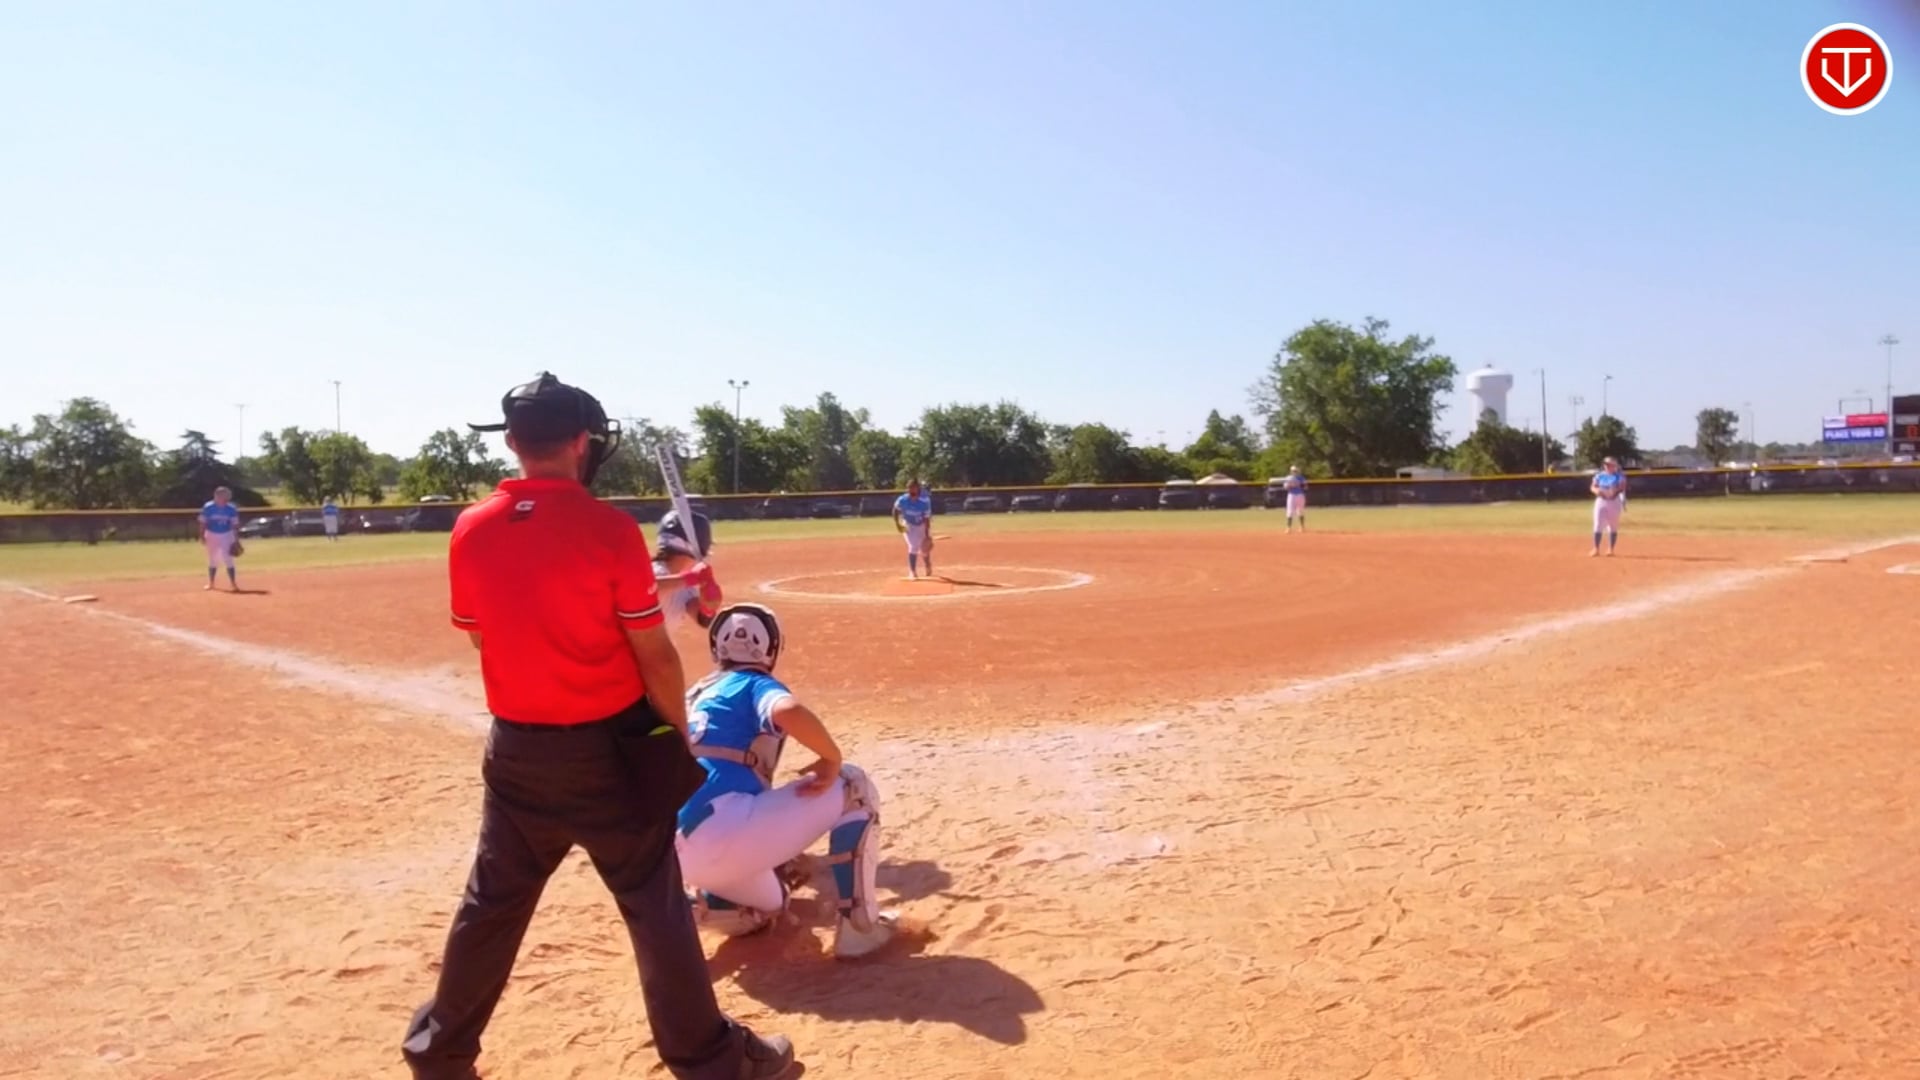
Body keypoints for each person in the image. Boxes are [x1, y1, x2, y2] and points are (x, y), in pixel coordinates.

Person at [401, 372, 796, 1080]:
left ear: (513, 442)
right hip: (610, 751)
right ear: (582, 443)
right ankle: (709, 1060)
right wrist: (676, 738)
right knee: (655, 906)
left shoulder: (472, 527)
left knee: (491, 905)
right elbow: (654, 652)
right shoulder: (609, 529)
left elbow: (482, 636)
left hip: (517, 752)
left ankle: (441, 1054)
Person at [675, 602, 897, 960]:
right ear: (770, 649)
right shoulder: (752, 683)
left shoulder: (693, 696)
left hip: (680, 851)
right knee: (853, 785)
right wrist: (831, 757)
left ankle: (687, 908)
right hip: (725, 829)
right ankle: (861, 930)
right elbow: (786, 710)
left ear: (717, 647)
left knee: (769, 905)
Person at [654, 508, 723, 629]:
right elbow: (644, 588)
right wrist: (690, 578)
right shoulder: (656, 572)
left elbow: (702, 620)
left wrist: (708, 608)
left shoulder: (685, 586)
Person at [198, 486, 241, 591]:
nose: (228, 497)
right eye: (225, 495)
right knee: (213, 559)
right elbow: (203, 522)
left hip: (226, 534)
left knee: (228, 559)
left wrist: (236, 539)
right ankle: (211, 583)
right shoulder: (208, 507)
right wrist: (202, 535)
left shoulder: (231, 508)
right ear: (218, 496)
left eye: (228, 495)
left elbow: (235, 525)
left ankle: (233, 584)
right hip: (211, 534)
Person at [891, 479, 934, 580]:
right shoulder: (902, 500)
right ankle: (912, 571)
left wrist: (927, 535)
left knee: (924, 549)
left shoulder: (924, 502)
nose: (911, 492)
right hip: (908, 524)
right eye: (910, 489)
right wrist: (897, 524)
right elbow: (895, 510)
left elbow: (926, 519)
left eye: (914, 489)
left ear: (918, 490)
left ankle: (927, 564)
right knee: (913, 546)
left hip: (921, 525)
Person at [1590, 456, 1627, 556]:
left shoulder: (1619, 476)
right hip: (1601, 501)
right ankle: (1596, 549)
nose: (1607, 466)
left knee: (1613, 525)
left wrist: (1614, 491)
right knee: (1598, 524)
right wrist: (1596, 491)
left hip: (1614, 501)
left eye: (1610, 464)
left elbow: (1622, 486)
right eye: (1606, 464)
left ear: (1614, 465)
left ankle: (1611, 549)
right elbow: (1593, 486)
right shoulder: (1599, 475)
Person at [1282, 466, 1308, 532]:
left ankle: (1302, 527)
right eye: (1293, 471)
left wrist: (1299, 484)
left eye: (1295, 471)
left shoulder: (1301, 478)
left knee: (1300, 511)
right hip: (1291, 495)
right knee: (1290, 511)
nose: (1294, 472)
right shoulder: (1288, 478)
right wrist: (1290, 485)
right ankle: (1288, 528)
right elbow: (1285, 487)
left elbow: (1306, 487)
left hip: (1300, 495)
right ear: (1290, 471)